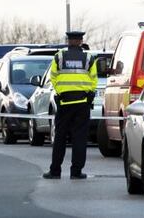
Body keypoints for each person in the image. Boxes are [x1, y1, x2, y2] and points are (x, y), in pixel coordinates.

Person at [43, 31, 98, 180]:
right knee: (79, 138)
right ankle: (76, 172)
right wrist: (89, 94)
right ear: (81, 41)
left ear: (68, 40)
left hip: (64, 101)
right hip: (82, 102)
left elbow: (52, 77)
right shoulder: (88, 58)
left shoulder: (59, 57)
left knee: (60, 137)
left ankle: (55, 171)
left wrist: (60, 91)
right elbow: (94, 80)